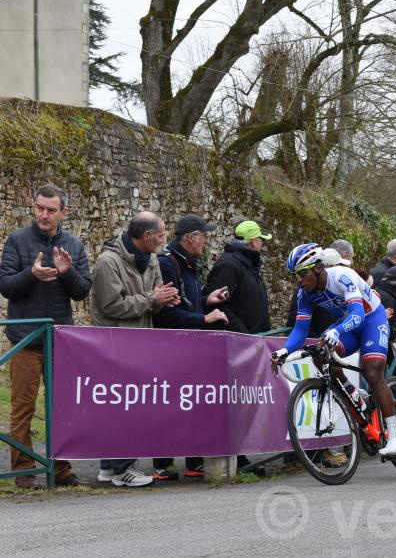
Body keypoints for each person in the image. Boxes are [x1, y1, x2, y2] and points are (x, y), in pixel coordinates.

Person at [271, 244, 396, 457]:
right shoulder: (304, 293)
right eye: (294, 275)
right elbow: (300, 329)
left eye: (301, 273)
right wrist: (284, 351)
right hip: (349, 324)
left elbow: (358, 315)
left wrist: (337, 331)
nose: (298, 280)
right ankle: (354, 394)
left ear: (317, 267)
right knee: (320, 354)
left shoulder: (342, 276)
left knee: (373, 372)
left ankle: (395, 437)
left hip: (371, 319)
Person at [0, 184, 92, 489]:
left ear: (63, 213)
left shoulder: (74, 246)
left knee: (62, 406)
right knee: (23, 408)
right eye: (39, 208)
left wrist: (66, 272)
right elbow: (6, 286)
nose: (43, 214)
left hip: (58, 340)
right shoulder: (17, 240)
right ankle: (23, 471)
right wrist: (31, 274)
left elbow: (82, 291)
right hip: (25, 337)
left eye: (51, 210)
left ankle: (62, 469)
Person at [91, 211, 181, 487]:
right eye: (162, 234)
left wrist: (164, 299)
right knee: (122, 407)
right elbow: (111, 306)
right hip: (114, 344)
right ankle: (122, 470)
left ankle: (110, 468)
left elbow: (150, 296)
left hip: (141, 341)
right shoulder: (109, 262)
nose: (165, 240)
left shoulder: (151, 259)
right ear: (147, 236)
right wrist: (151, 298)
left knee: (134, 404)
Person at [152, 214, 230, 481]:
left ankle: (194, 460)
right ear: (189, 238)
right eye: (203, 235)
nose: (206, 240)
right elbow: (166, 315)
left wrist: (207, 300)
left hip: (191, 345)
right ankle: (162, 463)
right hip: (170, 347)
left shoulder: (189, 262)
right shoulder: (167, 264)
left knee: (194, 402)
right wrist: (204, 318)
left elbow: (186, 303)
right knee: (168, 405)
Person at [204, 220, 272, 334]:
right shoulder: (228, 265)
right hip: (237, 342)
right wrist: (244, 335)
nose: (262, 244)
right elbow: (219, 306)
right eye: (262, 240)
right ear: (254, 241)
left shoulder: (249, 264)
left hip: (253, 340)